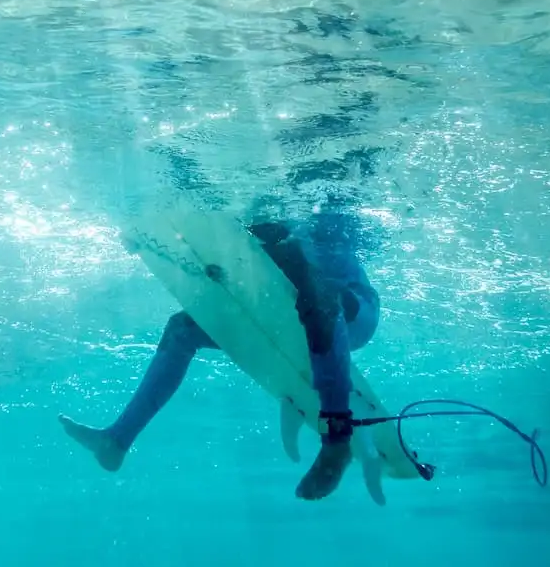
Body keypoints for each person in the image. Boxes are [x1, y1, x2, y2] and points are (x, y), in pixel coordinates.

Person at [58, 208, 381, 501]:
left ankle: (337, 441)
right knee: (182, 328)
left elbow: (309, 259)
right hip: (281, 310)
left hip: (354, 308)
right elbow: (209, 250)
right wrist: (146, 240)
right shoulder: (245, 211)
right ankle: (116, 441)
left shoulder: (311, 211)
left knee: (315, 286)